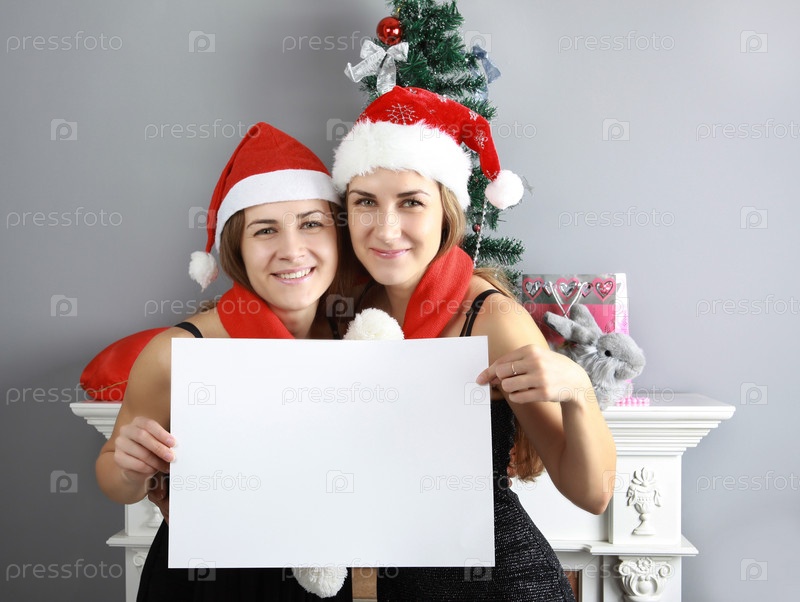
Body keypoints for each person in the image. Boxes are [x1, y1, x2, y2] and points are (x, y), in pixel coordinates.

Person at [331, 86, 617, 601]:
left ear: (446, 212)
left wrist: (579, 390)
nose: (386, 229)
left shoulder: (491, 317)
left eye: (411, 202)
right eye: (366, 202)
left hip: (504, 586)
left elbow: (592, 494)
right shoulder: (350, 308)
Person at [95, 122, 353, 600]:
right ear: (237, 247)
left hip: (326, 579)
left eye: (311, 223)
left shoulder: (360, 339)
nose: (292, 250)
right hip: (207, 579)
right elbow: (114, 475)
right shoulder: (179, 351)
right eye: (265, 230)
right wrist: (130, 469)